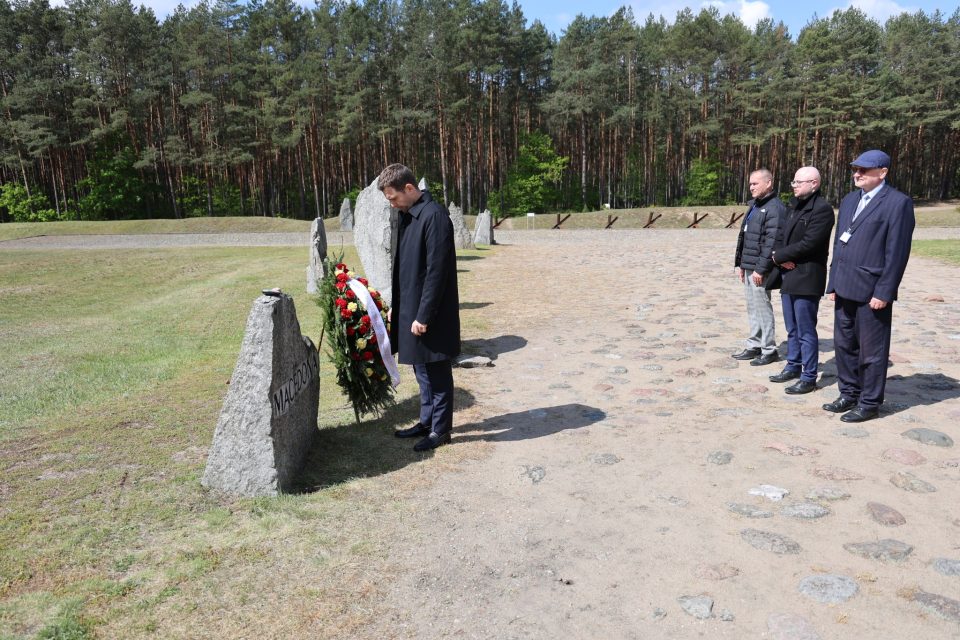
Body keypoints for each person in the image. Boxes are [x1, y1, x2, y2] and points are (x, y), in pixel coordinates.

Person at [823, 150, 915, 422]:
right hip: (844, 286)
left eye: (864, 169)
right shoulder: (850, 200)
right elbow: (839, 243)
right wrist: (833, 282)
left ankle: (869, 402)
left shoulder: (897, 203)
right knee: (844, 345)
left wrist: (884, 291)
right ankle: (848, 393)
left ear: (883, 172)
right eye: (856, 169)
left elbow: (897, 252)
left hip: (872, 291)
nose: (857, 174)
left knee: (872, 352)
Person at [377, 163, 461, 451]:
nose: (392, 204)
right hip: (412, 308)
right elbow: (407, 269)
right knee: (421, 370)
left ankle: (441, 429)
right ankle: (426, 421)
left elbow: (436, 272)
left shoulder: (434, 216)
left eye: (393, 198)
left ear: (410, 188)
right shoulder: (409, 215)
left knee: (436, 372)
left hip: (431, 312)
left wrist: (423, 316)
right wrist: (398, 307)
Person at [766, 166, 834, 395]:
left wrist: (781, 256)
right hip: (788, 274)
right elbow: (780, 235)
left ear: (814, 183)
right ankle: (793, 365)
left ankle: (808, 376)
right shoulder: (794, 206)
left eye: (798, 182)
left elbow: (810, 243)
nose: (794, 186)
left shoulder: (822, 209)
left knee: (806, 330)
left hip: (807, 275)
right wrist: (777, 256)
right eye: (793, 182)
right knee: (791, 328)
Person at [731, 169, 785, 366]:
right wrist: (742, 264)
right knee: (752, 307)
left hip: (760, 268)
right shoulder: (755, 205)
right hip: (749, 265)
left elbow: (772, 242)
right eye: (750, 184)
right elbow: (747, 237)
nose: (751, 187)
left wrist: (761, 269)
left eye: (755, 183)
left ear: (768, 183)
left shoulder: (775, 208)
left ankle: (769, 349)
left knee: (762, 307)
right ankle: (754, 344)